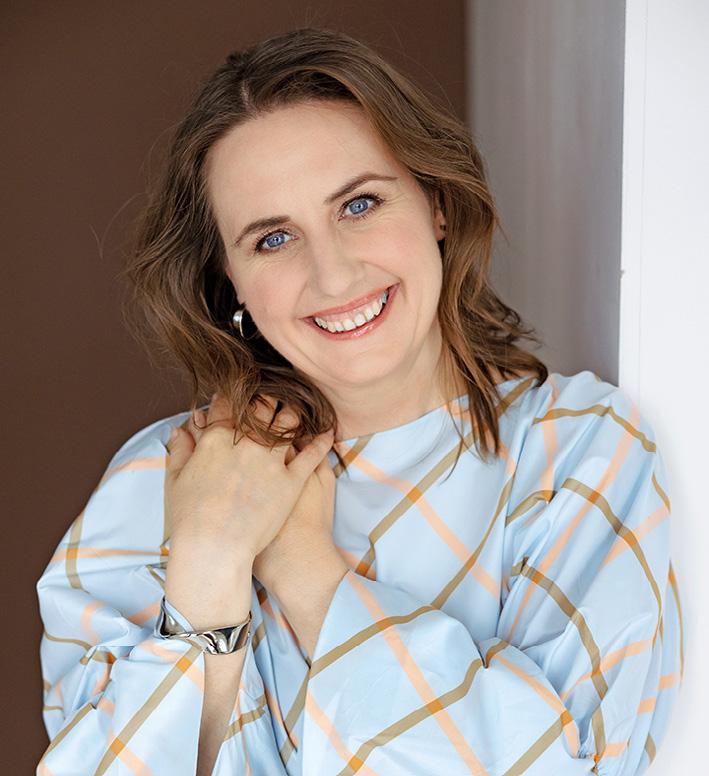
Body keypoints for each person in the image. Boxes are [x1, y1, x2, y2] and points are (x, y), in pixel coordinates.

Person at [36, 26, 684, 776]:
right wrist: (209, 561)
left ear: (437, 203)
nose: (334, 275)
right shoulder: (164, 480)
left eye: (359, 204)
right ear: (229, 282)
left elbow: (572, 765)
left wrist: (304, 566)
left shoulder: (578, 449)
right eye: (272, 240)